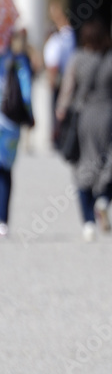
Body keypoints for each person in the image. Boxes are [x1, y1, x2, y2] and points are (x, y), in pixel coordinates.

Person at [56, 18, 112, 240]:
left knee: (82, 169)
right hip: (109, 116)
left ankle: (88, 222)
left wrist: (60, 110)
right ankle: (104, 200)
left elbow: (68, 89)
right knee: (108, 165)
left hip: (85, 117)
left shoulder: (77, 58)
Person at [0, 31, 33, 237]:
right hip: (10, 123)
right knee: (5, 171)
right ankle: (2, 220)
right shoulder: (20, 62)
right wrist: (30, 117)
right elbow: (26, 92)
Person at [43, 1, 76, 141]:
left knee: (59, 109)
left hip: (60, 77)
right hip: (62, 76)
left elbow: (54, 62)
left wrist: (51, 79)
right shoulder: (64, 35)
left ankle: (58, 136)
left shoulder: (63, 36)